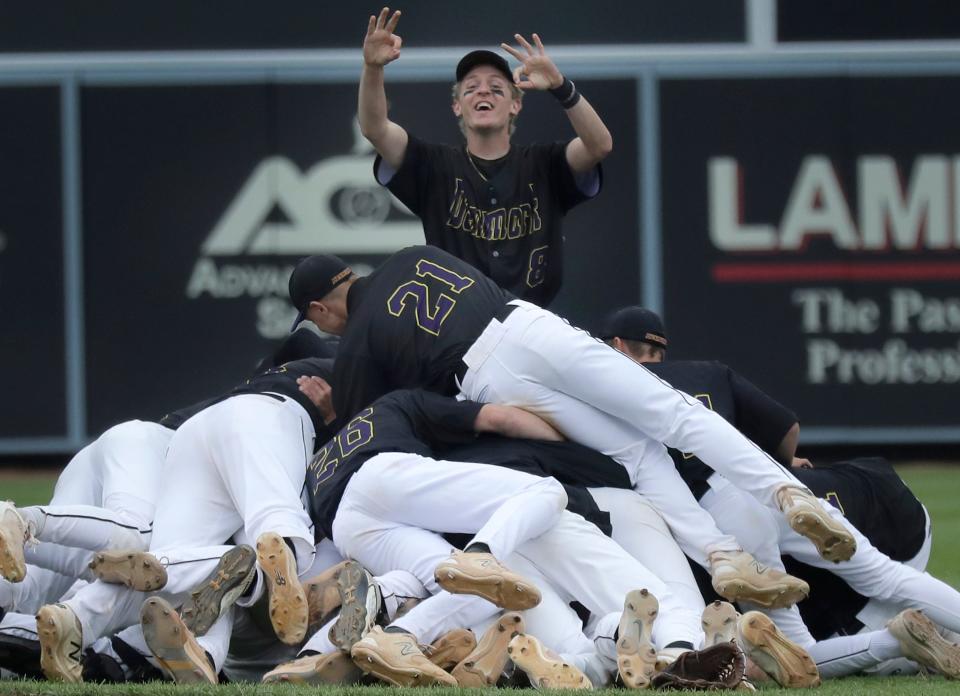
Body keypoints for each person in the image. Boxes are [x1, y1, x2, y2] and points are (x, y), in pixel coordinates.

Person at [286, 247, 847, 607]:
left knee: (636, 457)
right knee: (672, 415)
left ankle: (721, 555)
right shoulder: (410, 256)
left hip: (487, 381)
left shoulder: (356, 343)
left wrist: (333, 412)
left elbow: (372, 429)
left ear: (319, 310)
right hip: (523, 325)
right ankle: (788, 495)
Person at [601, 305, 960, 681]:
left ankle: (892, 645)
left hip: (722, 513)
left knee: (795, 652)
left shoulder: (610, 396)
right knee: (885, 576)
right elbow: (787, 429)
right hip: (772, 485)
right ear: (660, 351)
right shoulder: (706, 372)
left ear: (618, 346)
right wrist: (784, 462)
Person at [358, 7, 612, 305]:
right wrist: (373, 68)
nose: (483, 93)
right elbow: (375, 128)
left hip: (532, 320)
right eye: (471, 89)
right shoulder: (433, 165)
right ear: (457, 107)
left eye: (496, 88)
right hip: (457, 325)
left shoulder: (545, 164)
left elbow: (599, 145)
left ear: (515, 105)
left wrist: (561, 87)